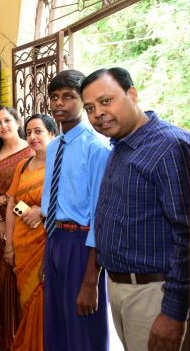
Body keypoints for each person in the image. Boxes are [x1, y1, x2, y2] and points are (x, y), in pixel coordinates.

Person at [80, 67, 190, 351]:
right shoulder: (121, 146)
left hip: (154, 293)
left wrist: (173, 312)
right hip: (120, 287)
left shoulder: (169, 147)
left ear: (132, 94)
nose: (98, 114)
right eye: (90, 108)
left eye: (106, 101)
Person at [41, 70, 111, 351]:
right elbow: (53, 203)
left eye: (68, 97)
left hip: (82, 245)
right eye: (55, 97)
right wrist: (47, 255)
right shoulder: (54, 146)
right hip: (55, 239)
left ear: (83, 101)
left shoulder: (97, 148)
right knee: (56, 323)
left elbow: (99, 215)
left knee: (83, 327)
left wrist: (91, 279)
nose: (59, 103)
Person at [0, 107, 34, 350]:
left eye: (7, 120)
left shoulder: (32, 150)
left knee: (25, 282)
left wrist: (3, 201)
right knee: (1, 282)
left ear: (17, 121)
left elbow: (30, 195)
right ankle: (5, 339)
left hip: (26, 223)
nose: (3, 126)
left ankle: (26, 338)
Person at [4, 114, 58, 351]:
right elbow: (11, 204)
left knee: (43, 298)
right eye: (29, 132)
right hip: (21, 243)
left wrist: (44, 211)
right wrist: (8, 245)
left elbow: (72, 202)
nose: (33, 137)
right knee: (26, 298)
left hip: (46, 242)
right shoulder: (23, 165)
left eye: (39, 131)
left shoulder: (60, 166)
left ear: (52, 134)